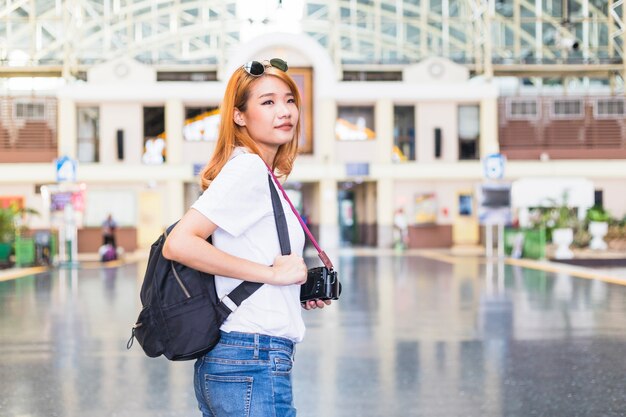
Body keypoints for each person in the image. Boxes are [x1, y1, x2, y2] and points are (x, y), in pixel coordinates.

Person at [162, 58, 331, 417]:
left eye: (289, 100)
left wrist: (288, 290)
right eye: (267, 102)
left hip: (243, 357)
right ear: (239, 116)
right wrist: (272, 275)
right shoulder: (248, 168)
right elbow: (179, 242)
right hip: (250, 357)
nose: (284, 111)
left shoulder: (262, 173)